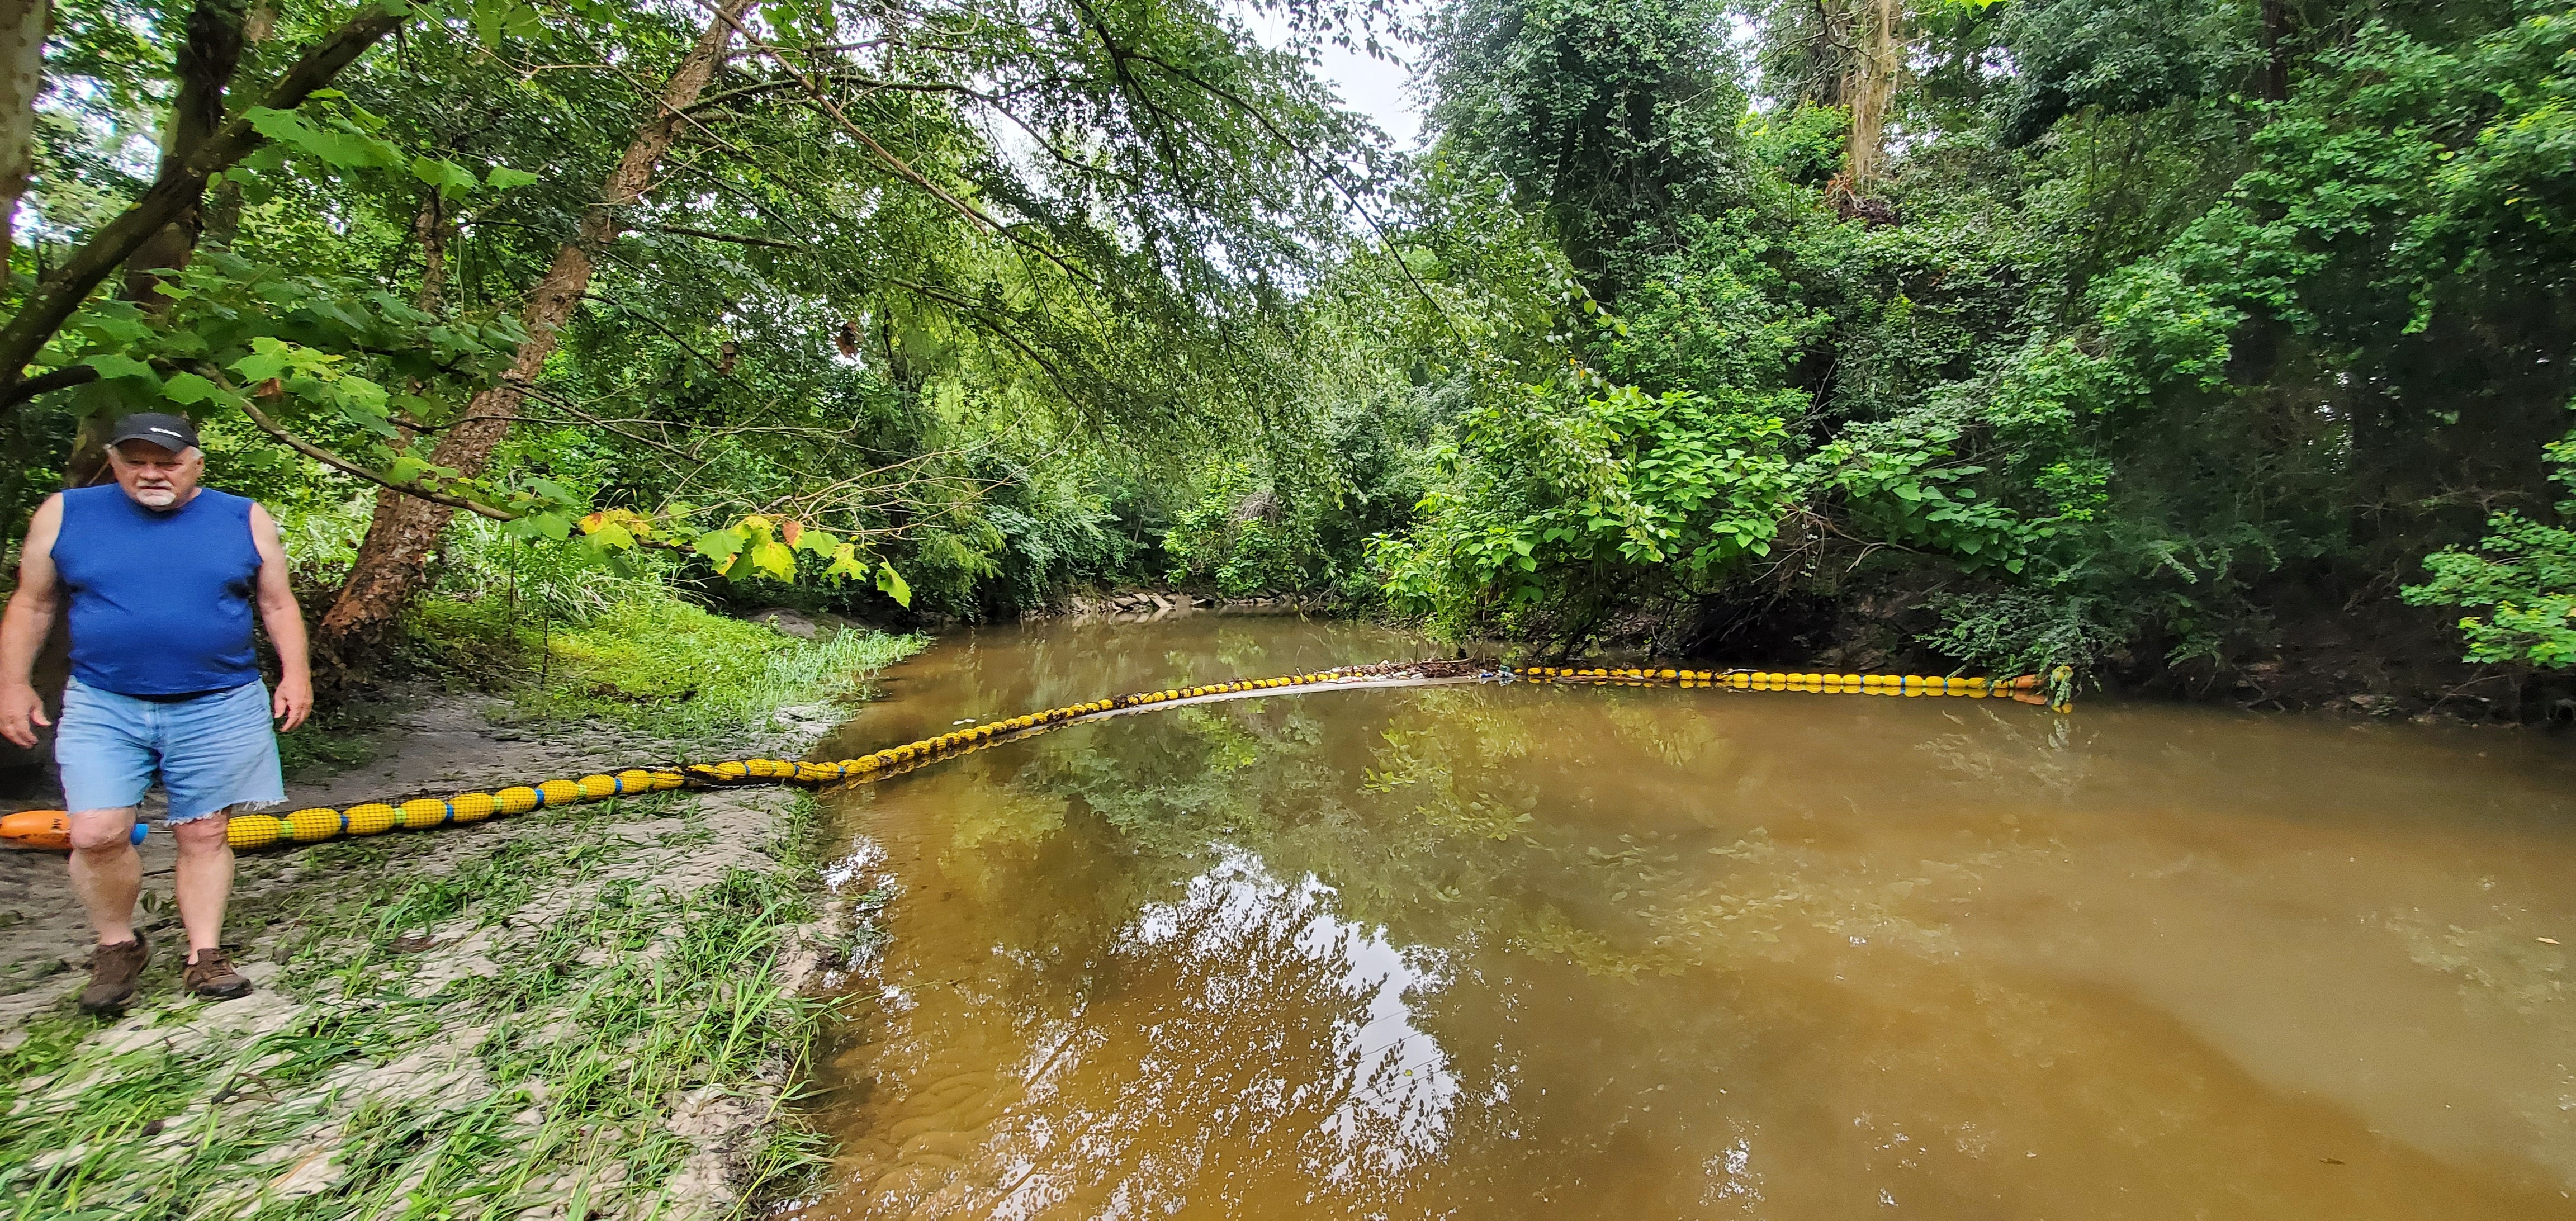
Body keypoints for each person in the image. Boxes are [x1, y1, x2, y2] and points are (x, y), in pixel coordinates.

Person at [0, 413, 311, 1014]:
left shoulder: (241, 517)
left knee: (203, 831)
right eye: (135, 461)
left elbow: (277, 604)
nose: (151, 473)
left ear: (196, 463)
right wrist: (13, 683)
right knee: (96, 833)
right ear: (114, 462)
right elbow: (33, 604)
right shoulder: (67, 513)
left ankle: (205, 954)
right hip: (103, 699)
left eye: (166, 461)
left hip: (219, 697)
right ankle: (117, 945)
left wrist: (295, 675)